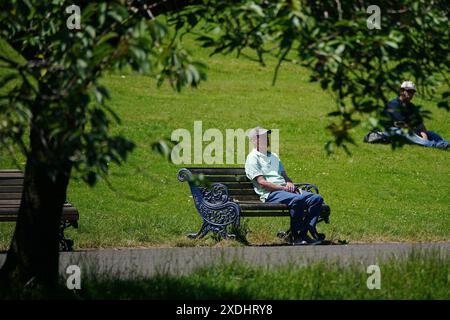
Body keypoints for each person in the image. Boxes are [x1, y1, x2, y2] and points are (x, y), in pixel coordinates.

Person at [244, 127, 324, 245]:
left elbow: (285, 176)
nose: (266, 139)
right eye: (262, 137)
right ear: (254, 140)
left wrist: (289, 183)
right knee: (298, 199)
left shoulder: (274, 156)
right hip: (270, 193)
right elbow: (262, 183)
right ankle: (296, 237)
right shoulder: (252, 158)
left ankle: (305, 231)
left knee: (316, 199)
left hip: (284, 190)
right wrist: (283, 188)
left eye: (267, 136)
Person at [382, 81, 450, 149]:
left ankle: (445, 143)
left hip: (407, 129)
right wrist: (417, 134)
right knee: (406, 132)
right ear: (401, 91)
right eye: (408, 91)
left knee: (430, 133)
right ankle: (434, 145)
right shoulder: (393, 105)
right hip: (390, 131)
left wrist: (424, 136)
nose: (410, 94)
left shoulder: (411, 107)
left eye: (412, 92)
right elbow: (400, 124)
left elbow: (420, 124)